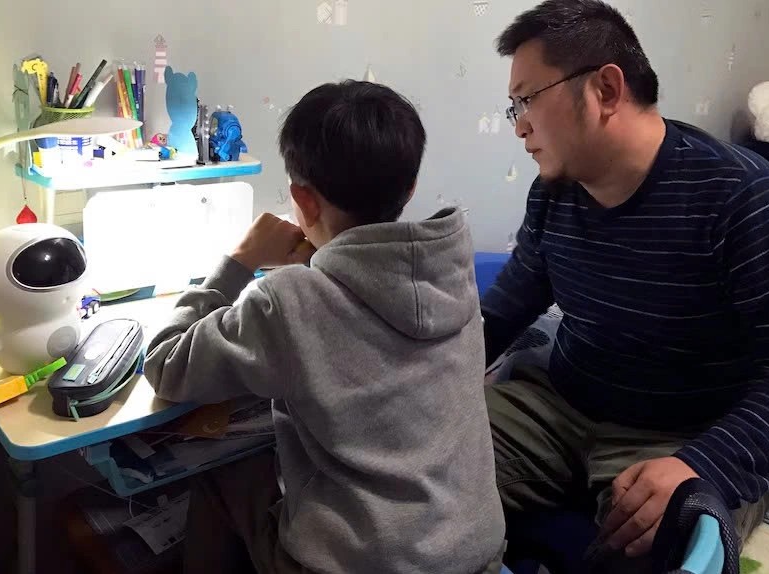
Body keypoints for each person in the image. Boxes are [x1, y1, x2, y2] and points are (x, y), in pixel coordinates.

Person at [144, 80, 505, 574]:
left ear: (303, 200)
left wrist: (240, 260)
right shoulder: (452, 268)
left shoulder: (288, 300)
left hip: (363, 566)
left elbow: (166, 366)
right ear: (410, 187)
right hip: (476, 553)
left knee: (220, 472)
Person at [482, 0, 769, 570]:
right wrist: (422, 384)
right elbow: (505, 308)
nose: (518, 125)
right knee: (412, 463)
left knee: (670, 541)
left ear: (606, 89)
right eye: (513, 106)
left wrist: (702, 466)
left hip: (685, 435)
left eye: (528, 99)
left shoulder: (745, 199)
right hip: (560, 407)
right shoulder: (554, 193)